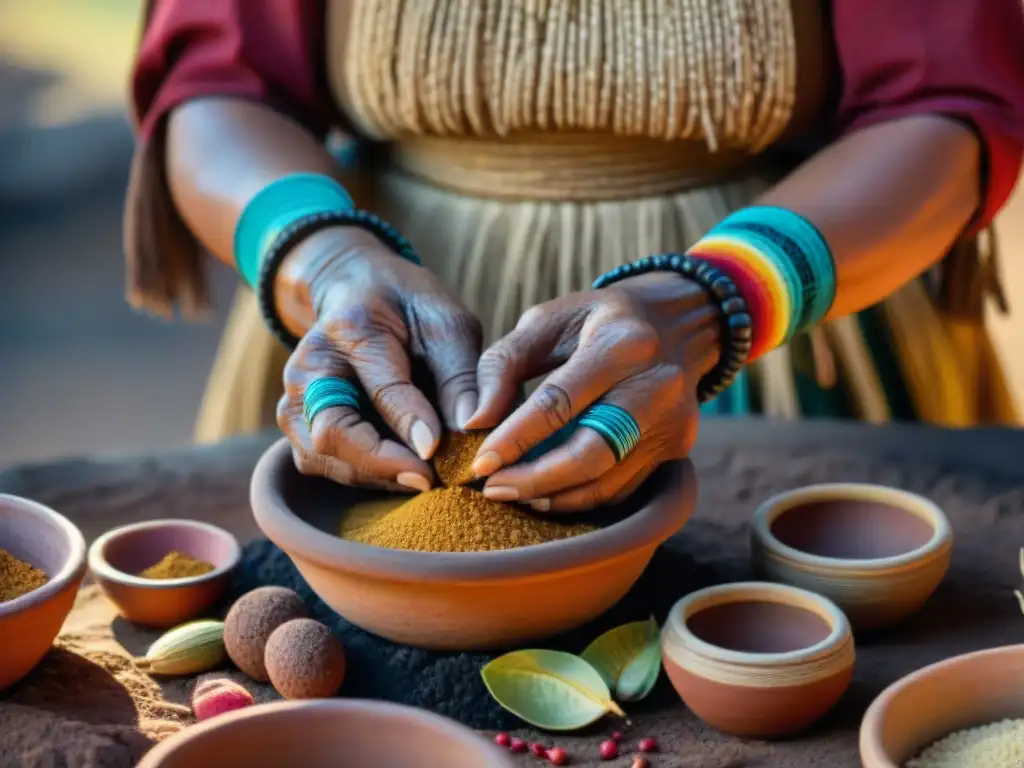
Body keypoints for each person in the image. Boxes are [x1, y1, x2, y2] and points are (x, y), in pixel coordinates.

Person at [126, 0, 1024, 512]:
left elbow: (944, 97)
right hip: (371, 332)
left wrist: (716, 299)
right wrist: (323, 268)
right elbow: (221, 80)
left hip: (790, 325)